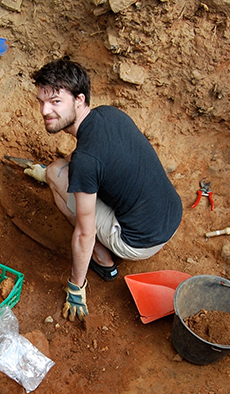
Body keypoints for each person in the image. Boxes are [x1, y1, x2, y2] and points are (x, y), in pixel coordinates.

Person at [30, 57, 183, 322]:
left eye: (55, 102)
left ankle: (104, 262)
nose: (45, 110)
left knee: (55, 172)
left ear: (79, 100)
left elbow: (84, 233)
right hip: (169, 216)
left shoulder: (86, 160)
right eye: (41, 102)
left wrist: (76, 287)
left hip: (138, 242)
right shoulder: (111, 114)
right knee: (73, 170)